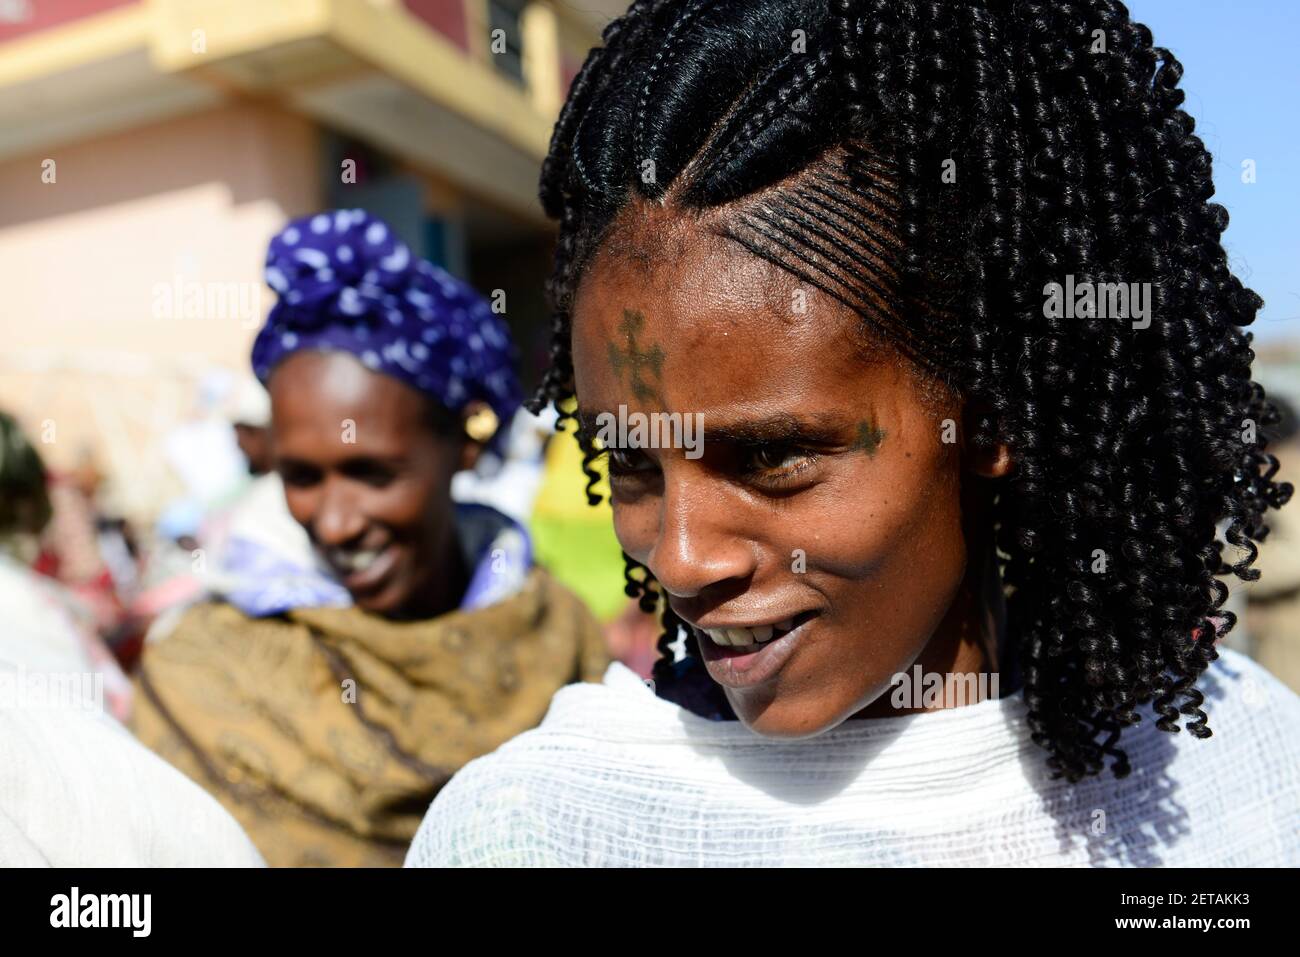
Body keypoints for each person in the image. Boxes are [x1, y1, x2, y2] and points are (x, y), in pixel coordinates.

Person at [407, 0, 1299, 867]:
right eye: (632, 461)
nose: (677, 557)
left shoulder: (1241, 779)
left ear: (992, 411)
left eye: (770, 456)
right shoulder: (537, 832)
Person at [131, 209, 610, 867]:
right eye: (302, 476)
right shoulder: (205, 672)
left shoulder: (561, 639)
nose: (334, 522)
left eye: (371, 473)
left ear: (464, 446)